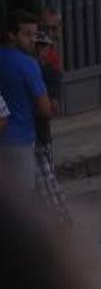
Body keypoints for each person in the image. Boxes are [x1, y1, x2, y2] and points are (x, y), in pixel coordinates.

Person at [0, 11, 50, 196]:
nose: (32, 40)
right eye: (26, 34)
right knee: (23, 199)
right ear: (12, 35)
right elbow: (45, 109)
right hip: (20, 139)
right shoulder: (28, 64)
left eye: (34, 35)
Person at [33, 30, 70, 226]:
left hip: (41, 134)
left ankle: (59, 224)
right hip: (27, 135)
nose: (40, 50)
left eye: (44, 46)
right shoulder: (27, 69)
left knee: (48, 182)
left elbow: (51, 108)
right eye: (37, 45)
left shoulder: (50, 72)